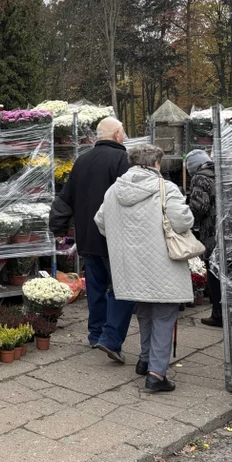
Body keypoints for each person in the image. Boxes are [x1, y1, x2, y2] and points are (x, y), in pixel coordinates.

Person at [94, 144, 195, 393]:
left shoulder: (114, 190)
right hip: (162, 262)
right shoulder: (166, 188)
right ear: (156, 163)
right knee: (164, 314)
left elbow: (101, 221)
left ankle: (145, 358)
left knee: (145, 311)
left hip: (129, 264)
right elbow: (183, 221)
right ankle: (156, 374)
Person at [50, 117, 133, 357]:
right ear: (117, 134)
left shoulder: (82, 160)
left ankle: (95, 335)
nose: (125, 136)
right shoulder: (122, 160)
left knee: (95, 289)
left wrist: (59, 231)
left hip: (87, 238)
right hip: (114, 238)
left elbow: (64, 199)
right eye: (124, 132)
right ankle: (110, 337)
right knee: (121, 289)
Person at [186, 150, 220, 327]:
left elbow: (200, 206)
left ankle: (218, 314)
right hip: (227, 228)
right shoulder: (221, 171)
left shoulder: (200, 177)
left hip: (212, 229)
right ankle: (226, 313)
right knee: (226, 272)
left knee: (214, 272)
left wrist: (186, 216)